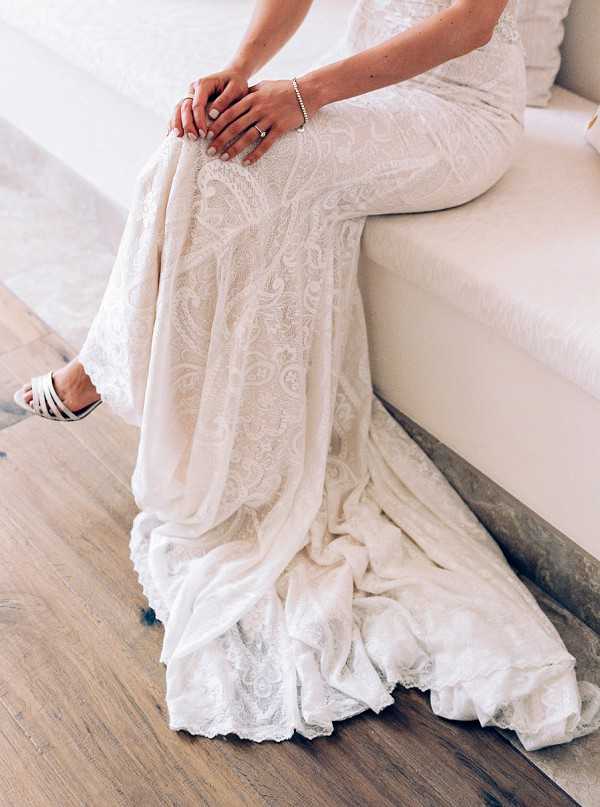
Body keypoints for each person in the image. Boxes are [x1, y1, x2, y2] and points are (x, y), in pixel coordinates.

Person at [13, 0, 600, 748]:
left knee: (236, 160)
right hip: (368, 89)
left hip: (458, 114)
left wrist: (302, 94)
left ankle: (98, 369)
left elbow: (471, 25)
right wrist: (239, 71)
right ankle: (113, 370)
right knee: (194, 142)